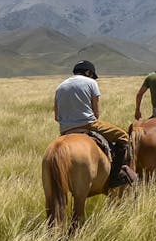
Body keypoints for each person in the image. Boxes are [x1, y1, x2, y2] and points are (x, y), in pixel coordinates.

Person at [55, 60, 136, 188]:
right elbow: (96, 113)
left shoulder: (60, 86)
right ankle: (115, 177)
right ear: (88, 72)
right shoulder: (91, 82)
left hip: (65, 129)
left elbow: (56, 117)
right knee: (123, 136)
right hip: (88, 124)